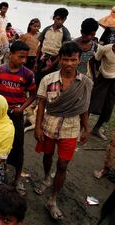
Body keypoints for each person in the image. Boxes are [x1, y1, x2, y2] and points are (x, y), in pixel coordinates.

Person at [34, 41, 93, 220]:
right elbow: (42, 103)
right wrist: (37, 127)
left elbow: (84, 108)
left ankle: (53, 199)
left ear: (79, 60)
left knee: (63, 164)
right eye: (65, 59)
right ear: (60, 59)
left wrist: (86, 128)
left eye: (73, 60)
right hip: (49, 124)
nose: (69, 64)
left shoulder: (85, 83)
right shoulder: (48, 79)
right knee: (47, 155)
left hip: (71, 127)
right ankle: (46, 178)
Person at [0, 41, 36, 196]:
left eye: (25, 57)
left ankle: (17, 179)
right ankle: (0, 170)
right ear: (10, 54)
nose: (23, 60)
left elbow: (33, 95)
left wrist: (21, 108)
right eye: (20, 56)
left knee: (17, 147)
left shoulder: (28, 74)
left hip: (16, 116)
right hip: (0, 115)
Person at [35, 8, 71, 86]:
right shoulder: (47, 29)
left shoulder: (65, 33)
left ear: (65, 19)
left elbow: (63, 52)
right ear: (54, 18)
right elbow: (40, 46)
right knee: (37, 80)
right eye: (58, 19)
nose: (60, 22)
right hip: (42, 59)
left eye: (62, 19)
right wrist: (36, 62)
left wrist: (51, 65)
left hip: (55, 61)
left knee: (50, 82)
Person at [89, 43, 115, 140]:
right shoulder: (105, 49)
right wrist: (95, 77)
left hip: (114, 82)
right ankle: (81, 128)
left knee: (108, 106)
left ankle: (96, 129)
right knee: (92, 102)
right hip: (102, 79)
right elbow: (93, 61)